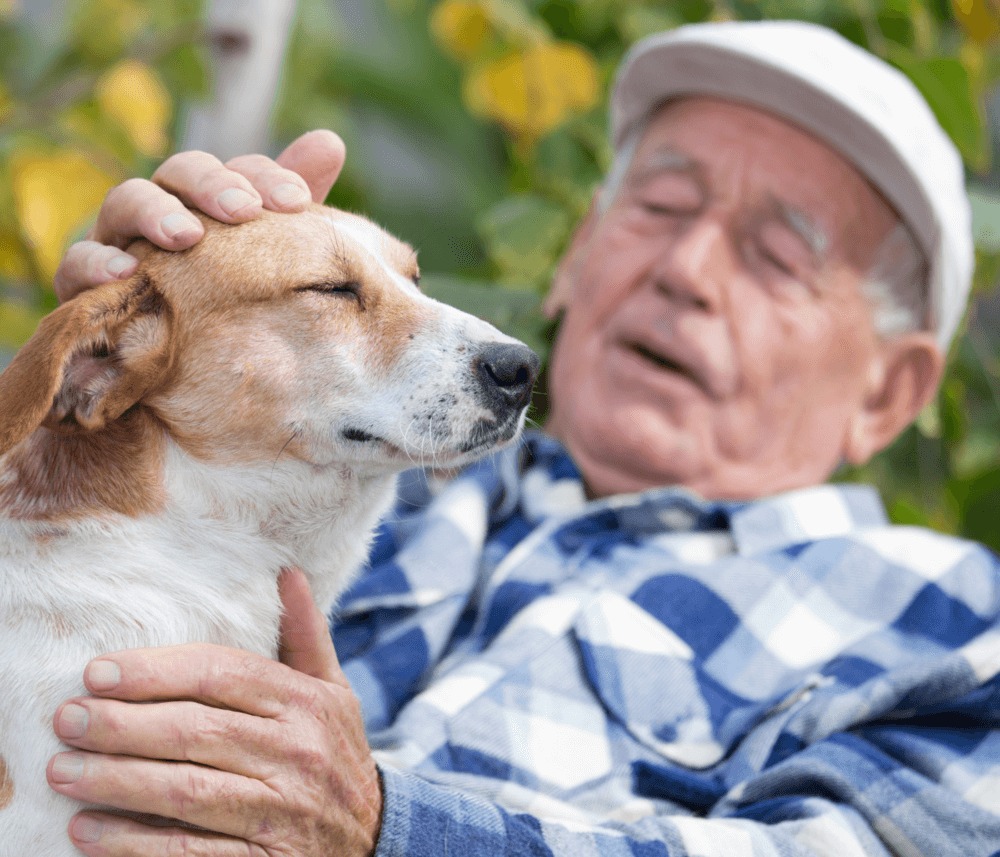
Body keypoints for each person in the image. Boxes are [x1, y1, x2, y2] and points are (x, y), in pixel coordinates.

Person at [42, 19, 1000, 857]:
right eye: (661, 207)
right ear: (576, 255)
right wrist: (150, 342)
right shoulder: (340, 464)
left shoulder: (946, 617)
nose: (687, 268)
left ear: (892, 390)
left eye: (779, 257)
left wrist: (389, 831)